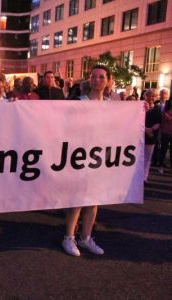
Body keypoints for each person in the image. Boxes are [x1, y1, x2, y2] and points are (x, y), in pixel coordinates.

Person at [62, 65, 109, 257]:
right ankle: (69, 237)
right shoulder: (79, 102)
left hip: (100, 158)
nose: (97, 80)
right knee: (77, 199)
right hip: (79, 156)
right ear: (89, 80)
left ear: (108, 81)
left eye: (101, 77)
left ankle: (86, 237)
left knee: (93, 199)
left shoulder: (111, 106)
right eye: (94, 76)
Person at [159, 99, 172, 173]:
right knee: (163, 149)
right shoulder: (165, 111)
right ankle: (161, 166)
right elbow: (164, 120)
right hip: (165, 132)